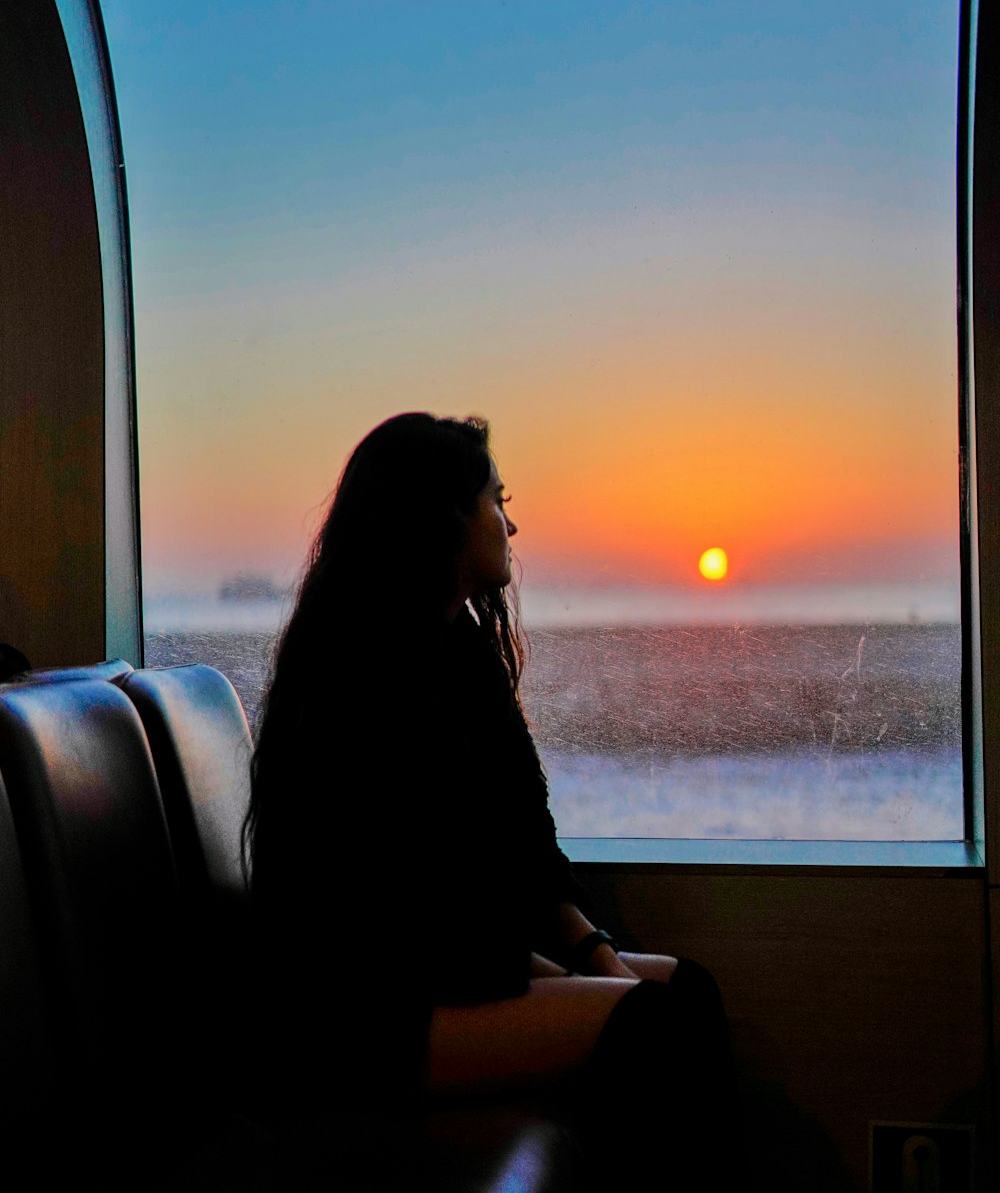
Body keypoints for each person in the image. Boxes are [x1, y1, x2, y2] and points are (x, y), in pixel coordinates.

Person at [244, 412, 737, 1188]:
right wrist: (581, 978)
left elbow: (524, 850)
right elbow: (408, 913)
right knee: (647, 1028)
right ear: (444, 515)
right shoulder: (361, 678)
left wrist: (595, 956)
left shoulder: (461, 651)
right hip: (363, 1019)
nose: (512, 522)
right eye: (495, 500)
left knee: (688, 989)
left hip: (442, 974)